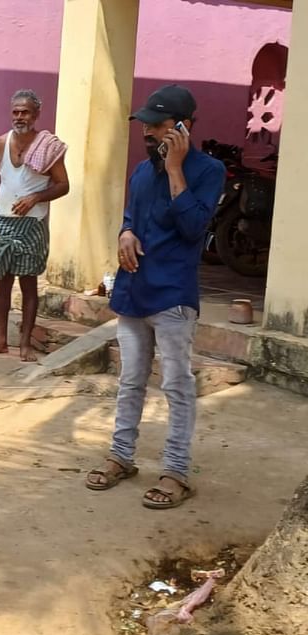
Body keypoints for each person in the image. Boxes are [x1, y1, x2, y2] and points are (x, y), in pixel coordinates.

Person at [84, 85, 225, 509]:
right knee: (130, 382)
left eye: (157, 125)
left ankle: (176, 472)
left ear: (184, 127)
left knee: (177, 386)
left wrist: (177, 168)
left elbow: (194, 228)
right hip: (134, 292)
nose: (147, 132)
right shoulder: (141, 173)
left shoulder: (208, 170)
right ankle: (121, 457)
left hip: (173, 296)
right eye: (145, 125)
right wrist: (125, 233)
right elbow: (130, 218)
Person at [0, 89, 70, 362]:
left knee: (28, 284)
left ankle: (26, 345)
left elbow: (63, 185)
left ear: (36, 114)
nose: (20, 117)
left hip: (32, 224)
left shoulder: (48, 147)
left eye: (26, 112)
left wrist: (35, 198)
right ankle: (0, 341)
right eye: (16, 112)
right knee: (1, 281)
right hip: (3, 221)